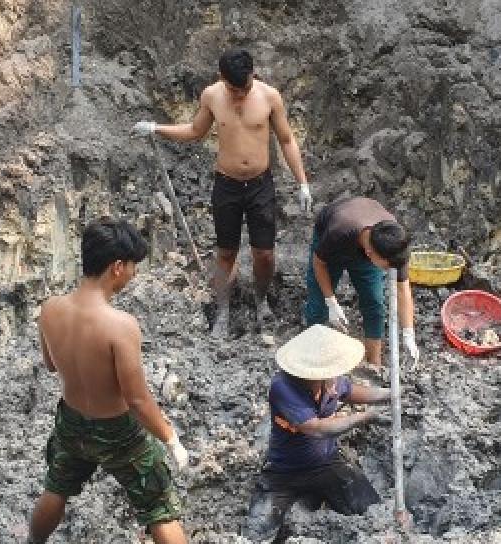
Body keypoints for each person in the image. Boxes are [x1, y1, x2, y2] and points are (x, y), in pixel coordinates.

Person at [26, 219, 190, 544]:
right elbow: (138, 401)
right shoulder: (120, 326)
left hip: (71, 423)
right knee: (159, 507)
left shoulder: (49, 309)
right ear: (117, 267)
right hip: (119, 433)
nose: (134, 274)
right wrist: (171, 440)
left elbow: (49, 364)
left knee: (56, 487)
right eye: (132, 266)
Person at [132, 48, 312, 336]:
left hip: (260, 185)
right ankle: (223, 310)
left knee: (264, 253)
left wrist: (302, 182)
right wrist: (156, 128)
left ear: (253, 75)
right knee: (226, 252)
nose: (240, 95)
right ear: (222, 79)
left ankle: (261, 299)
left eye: (245, 88)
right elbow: (194, 131)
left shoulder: (269, 97)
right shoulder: (212, 96)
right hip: (226, 185)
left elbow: (287, 140)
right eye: (234, 89)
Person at [243, 324, 391, 542]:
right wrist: (365, 417)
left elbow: (351, 392)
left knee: (372, 512)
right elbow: (317, 429)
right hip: (284, 473)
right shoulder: (283, 387)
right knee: (255, 534)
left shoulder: (331, 379)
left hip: (327, 464)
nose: (335, 381)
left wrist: (389, 393)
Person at [303, 196, 419, 366]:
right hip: (334, 242)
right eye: (386, 268)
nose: (388, 271)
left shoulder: (395, 244)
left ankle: (374, 364)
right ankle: (312, 359)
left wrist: (409, 335)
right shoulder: (338, 231)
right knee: (318, 304)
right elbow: (319, 263)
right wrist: (331, 302)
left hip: (365, 242)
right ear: (370, 253)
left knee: (374, 303)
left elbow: (403, 289)